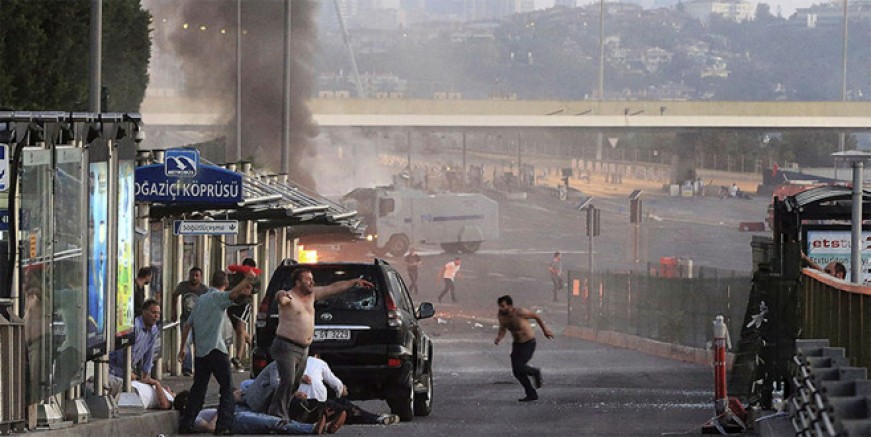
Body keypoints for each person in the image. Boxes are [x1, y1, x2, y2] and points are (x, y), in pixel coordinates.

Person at [267, 269, 373, 420]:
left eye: (312, 279)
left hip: (303, 348)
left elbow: (333, 288)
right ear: (298, 282)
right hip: (286, 346)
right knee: (287, 381)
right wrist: (281, 295)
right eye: (308, 279)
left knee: (295, 383)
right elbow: (281, 297)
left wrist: (354, 282)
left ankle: (285, 412)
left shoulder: (311, 295)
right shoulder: (290, 296)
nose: (312, 282)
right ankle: (277, 415)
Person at [177, 268, 259, 435]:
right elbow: (233, 295)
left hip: (201, 353)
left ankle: (187, 423)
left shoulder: (201, 299)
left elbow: (187, 325)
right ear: (226, 283)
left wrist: (182, 348)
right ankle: (223, 426)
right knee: (227, 388)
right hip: (216, 349)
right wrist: (247, 280)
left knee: (198, 388)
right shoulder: (217, 297)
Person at [494, 295, 554, 402]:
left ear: (510, 306)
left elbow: (536, 317)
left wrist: (545, 331)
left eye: (503, 306)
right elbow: (503, 328)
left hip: (528, 343)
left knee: (520, 367)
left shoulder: (520, 312)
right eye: (500, 306)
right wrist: (499, 338)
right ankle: (531, 394)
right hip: (517, 345)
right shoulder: (501, 316)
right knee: (517, 372)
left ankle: (535, 372)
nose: (501, 308)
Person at [107, 299, 162, 395]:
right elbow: (121, 356)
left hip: (127, 371)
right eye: (153, 313)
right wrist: (128, 373)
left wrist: (146, 375)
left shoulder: (154, 330)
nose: (156, 316)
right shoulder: (134, 328)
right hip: (113, 369)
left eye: (158, 313)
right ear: (144, 312)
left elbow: (149, 354)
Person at [172, 267, 209, 376]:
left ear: (201, 277)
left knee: (199, 343)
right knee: (186, 342)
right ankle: (187, 368)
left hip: (199, 320)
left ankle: (199, 367)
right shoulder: (183, 286)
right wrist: (173, 311)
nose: (194, 278)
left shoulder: (204, 290)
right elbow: (174, 296)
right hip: (186, 318)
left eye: (197, 275)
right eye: (192, 275)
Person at [227, 258, 260, 372]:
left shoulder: (255, 279)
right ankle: (253, 344)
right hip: (232, 305)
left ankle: (238, 358)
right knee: (239, 331)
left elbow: (250, 291)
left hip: (244, 304)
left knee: (240, 330)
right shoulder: (235, 276)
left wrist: (242, 288)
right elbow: (229, 288)